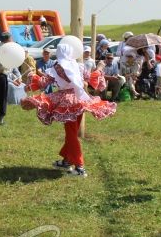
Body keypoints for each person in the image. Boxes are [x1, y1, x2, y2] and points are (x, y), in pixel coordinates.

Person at [22, 43, 116, 177]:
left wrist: (31, 74)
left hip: (67, 102)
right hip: (81, 99)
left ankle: (79, 167)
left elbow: (43, 82)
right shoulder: (78, 66)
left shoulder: (57, 67)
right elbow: (90, 79)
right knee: (72, 132)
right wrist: (100, 68)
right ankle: (67, 160)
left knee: (71, 134)